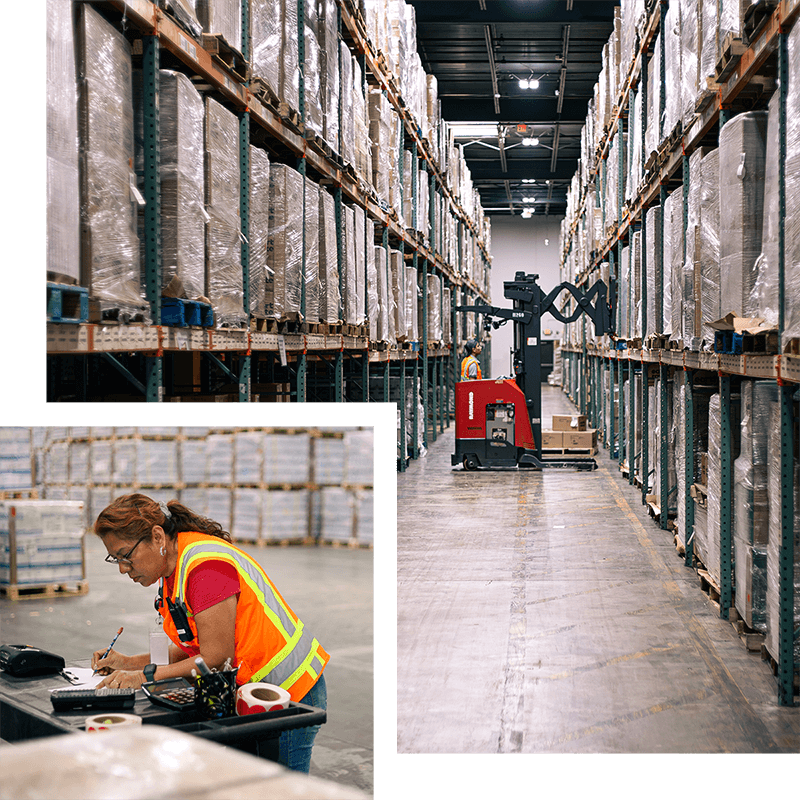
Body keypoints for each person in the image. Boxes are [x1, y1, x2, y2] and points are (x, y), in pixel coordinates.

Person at [91, 493, 329, 773]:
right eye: (114, 559)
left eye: (126, 556)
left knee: (281, 791)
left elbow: (215, 657)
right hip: (252, 693)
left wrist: (143, 677)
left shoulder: (205, 569)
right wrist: (129, 662)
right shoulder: (173, 571)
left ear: (157, 537)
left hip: (288, 693)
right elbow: (196, 647)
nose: (122, 568)